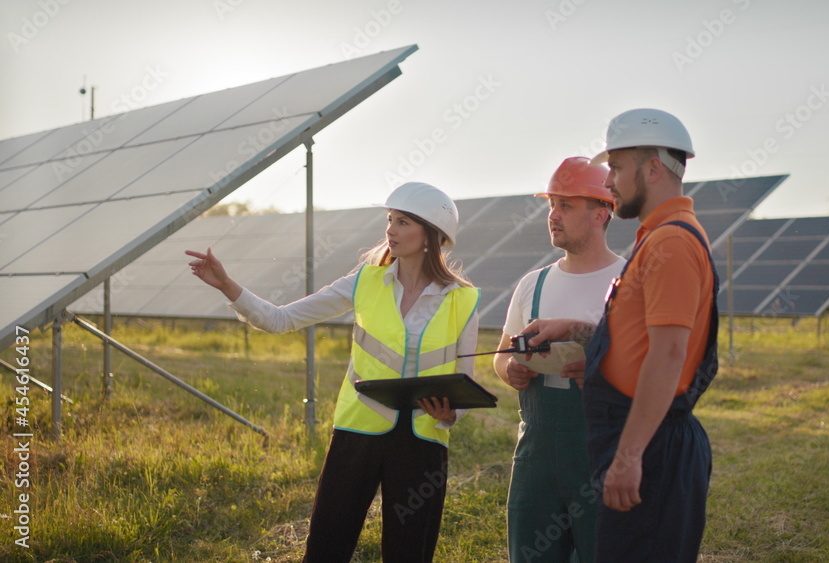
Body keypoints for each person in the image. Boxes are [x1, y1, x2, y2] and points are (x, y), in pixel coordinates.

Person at [186, 182, 480, 563]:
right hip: (356, 435)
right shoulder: (364, 281)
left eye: (403, 221)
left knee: (410, 553)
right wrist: (227, 286)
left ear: (432, 236)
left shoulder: (463, 298)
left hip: (422, 444)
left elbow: (466, 379)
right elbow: (281, 319)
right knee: (326, 547)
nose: (390, 229)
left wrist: (452, 413)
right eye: (389, 219)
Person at [523, 109, 719, 562]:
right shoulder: (658, 238)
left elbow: (668, 355)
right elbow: (642, 342)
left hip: (652, 448)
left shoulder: (670, 243)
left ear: (652, 169)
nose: (607, 182)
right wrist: (574, 330)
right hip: (646, 441)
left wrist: (629, 457)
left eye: (615, 167)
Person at [493, 157, 625, 563]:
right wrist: (510, 370)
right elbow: (501, 353)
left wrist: (601, 371)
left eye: (565, 206)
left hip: (601, 448)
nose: (553, 215)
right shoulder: (533, 283)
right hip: (536, 451)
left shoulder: (629, 280)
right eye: (551, 205)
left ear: (601, 214)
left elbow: (651, 363)